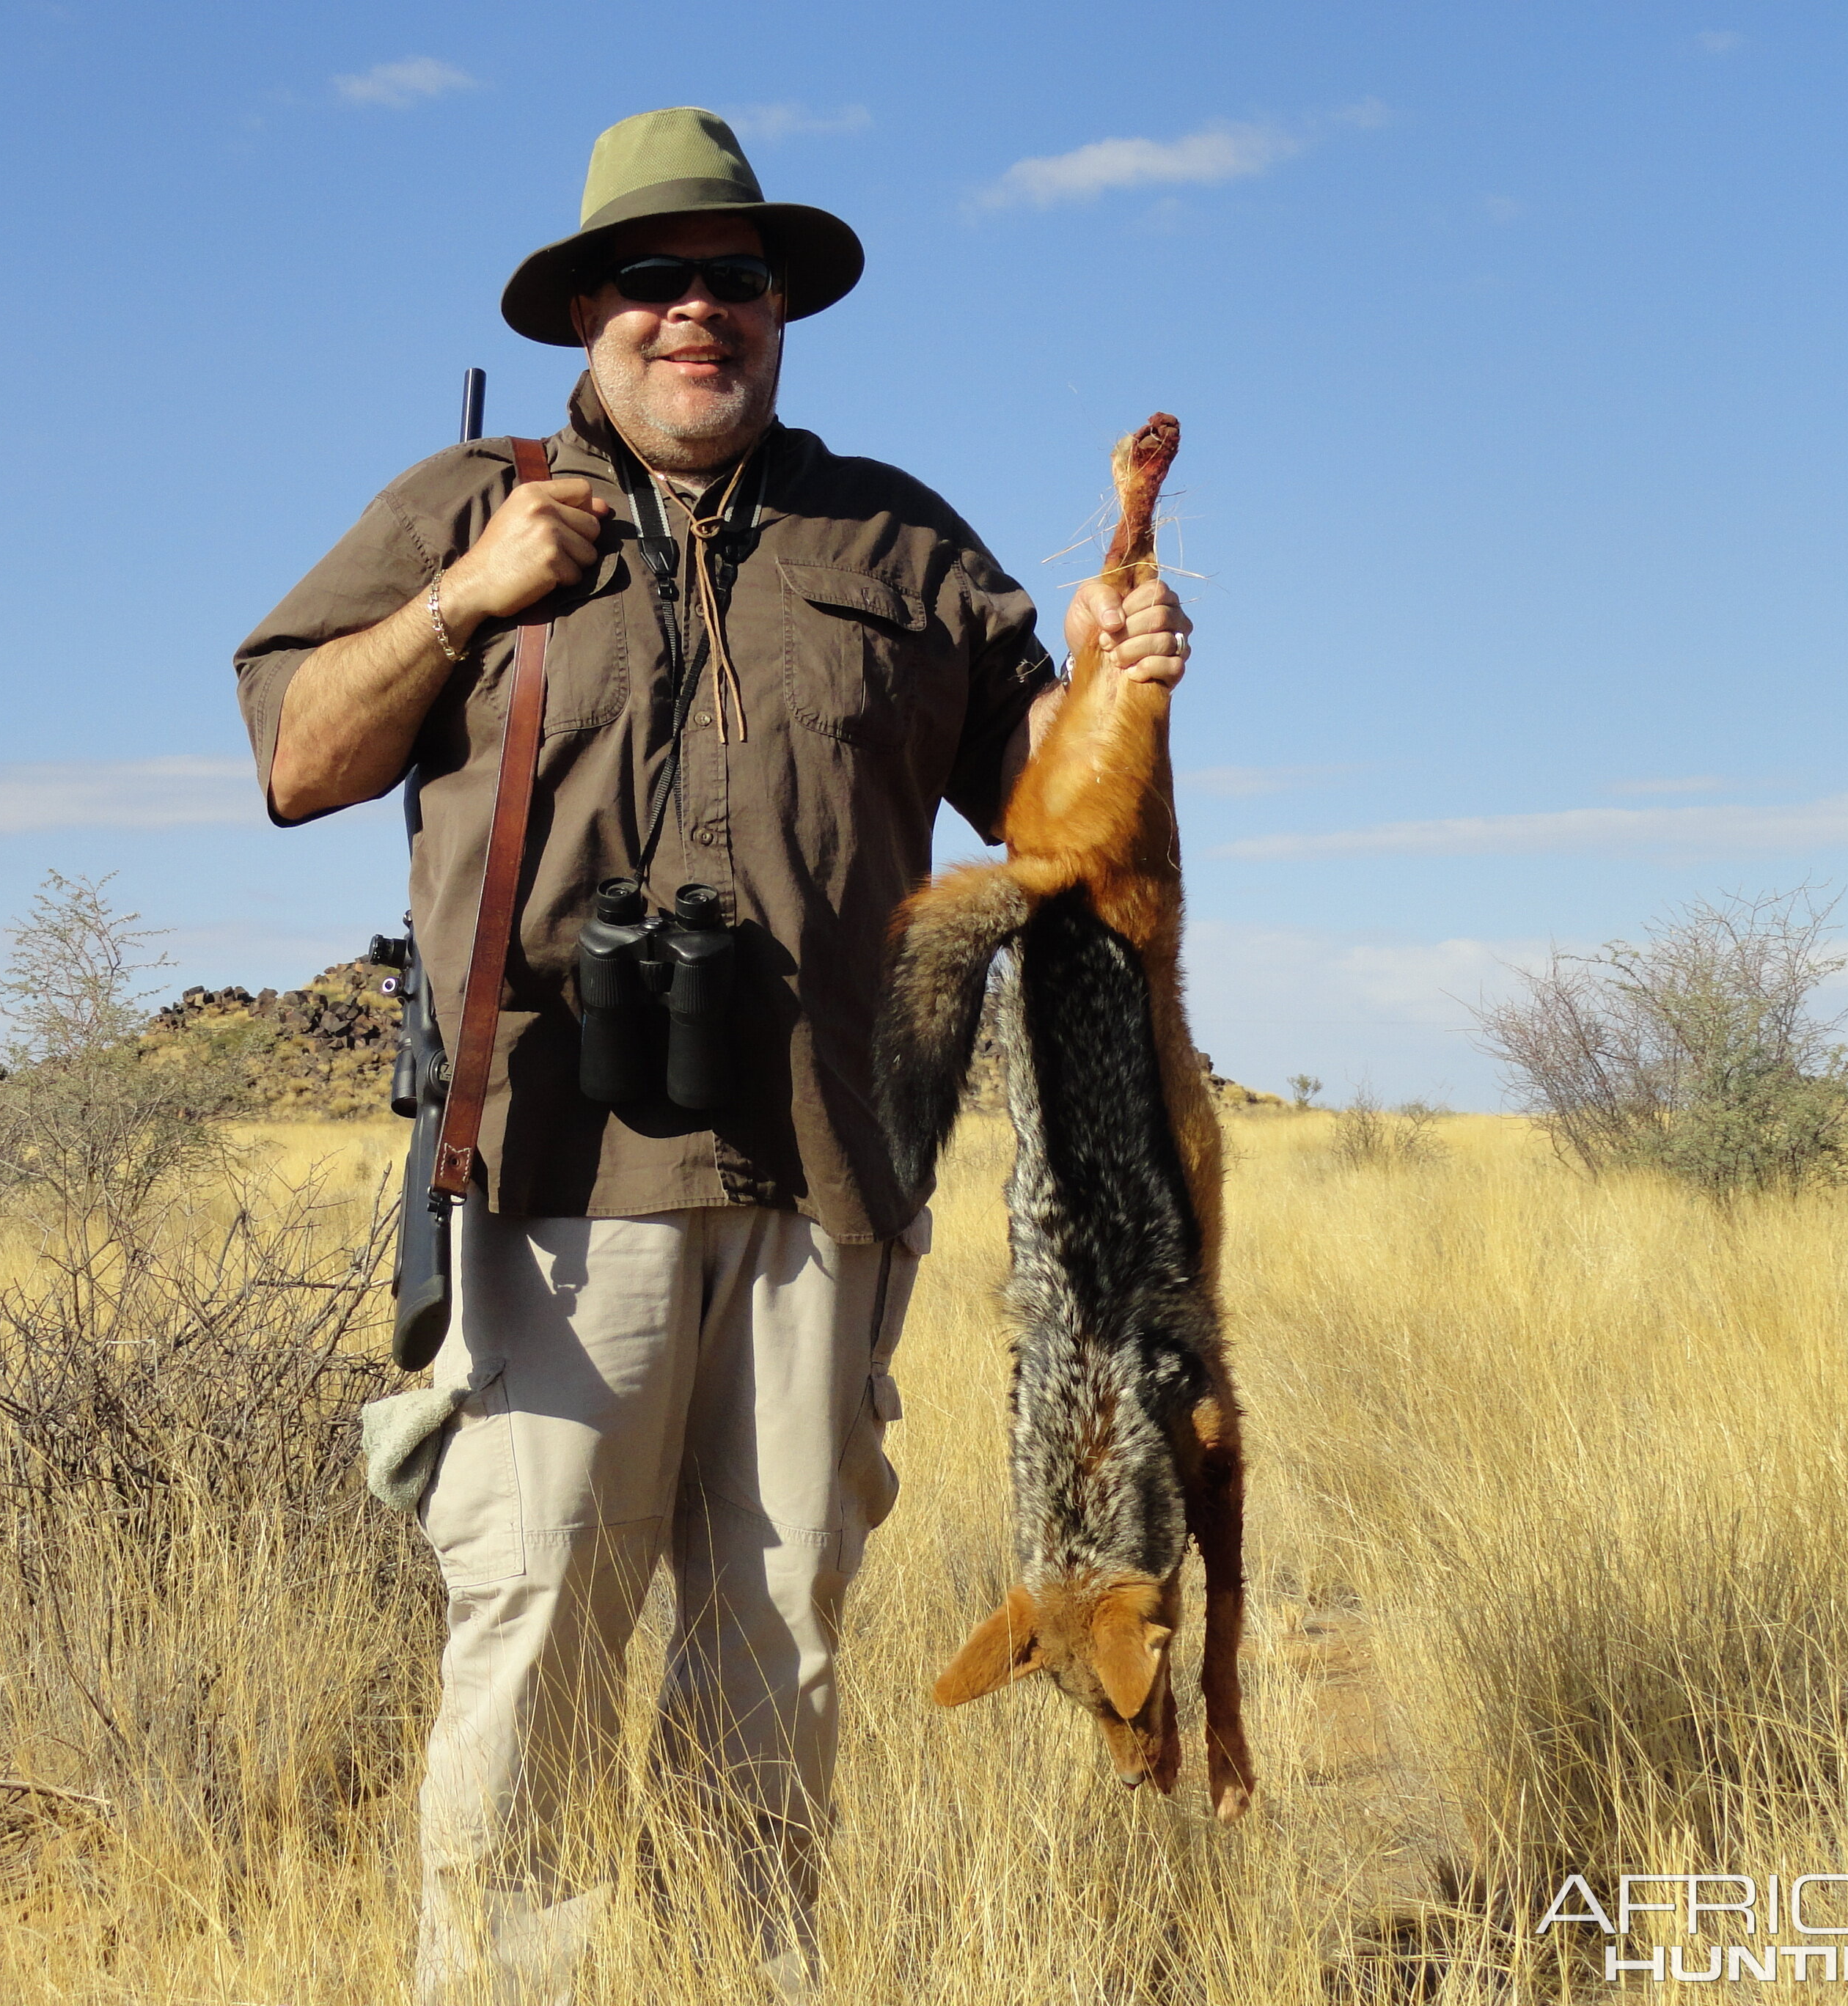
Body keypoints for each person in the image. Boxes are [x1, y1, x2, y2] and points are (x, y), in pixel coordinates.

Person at [234, 106, 1193, 2003]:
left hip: (831, 1185)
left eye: (733, 281)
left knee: (780, 1664)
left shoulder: (895, 540)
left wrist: (1117, 680)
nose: (696, 312)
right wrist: (465, 600)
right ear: (587, 309)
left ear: (781, 311)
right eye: (654, 279)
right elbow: (296, 759)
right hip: (554, 1192)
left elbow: (1066, 836)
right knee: (539, 1661)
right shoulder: (461, 503)